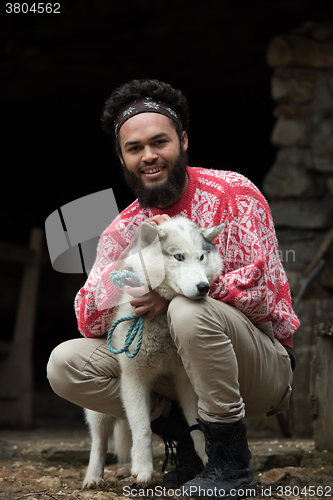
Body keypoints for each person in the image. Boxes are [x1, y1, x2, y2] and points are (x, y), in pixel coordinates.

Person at [47, 78, 299, 498]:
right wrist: (132, 259)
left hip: (258, 369)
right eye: (134, 148)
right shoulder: (125, 226)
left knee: (187, 309)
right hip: (175, 376)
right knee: (65, 363)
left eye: (159, 142)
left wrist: (168, 294)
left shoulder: (233, 194)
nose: (148, 156)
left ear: (183, 141)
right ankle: (186, 440)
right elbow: (88, 319)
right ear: (123, 158)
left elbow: (261, 292)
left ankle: (229, 462)